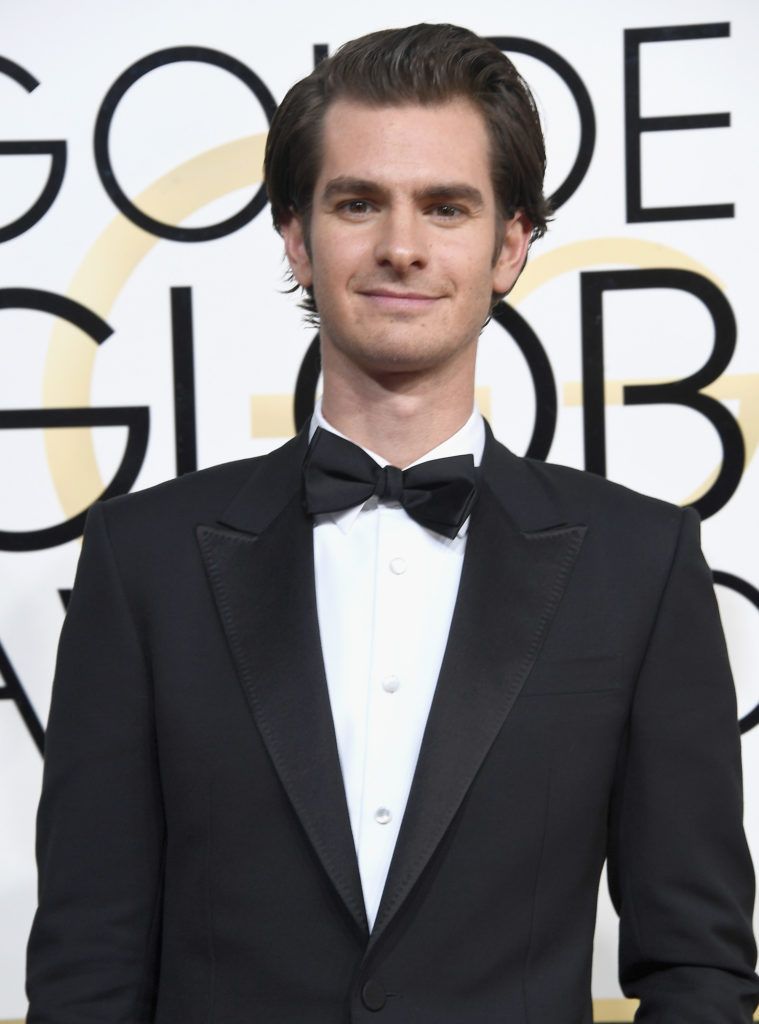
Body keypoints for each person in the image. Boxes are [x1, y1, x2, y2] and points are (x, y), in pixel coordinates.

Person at [27, 22, 758, 1024]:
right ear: (296, 235)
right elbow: (86, 964)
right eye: (358, 202)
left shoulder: (640, 563)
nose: (401, 246)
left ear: (510, 244)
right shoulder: (141, 561)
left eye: (446, 207)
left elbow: (701, 962)